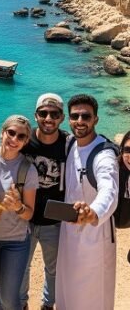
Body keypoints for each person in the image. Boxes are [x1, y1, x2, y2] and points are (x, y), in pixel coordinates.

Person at [55, 94, 119, 309]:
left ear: (95, 120)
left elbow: (109, 190)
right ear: (69, 119)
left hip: (95, 237)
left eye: (86, 116)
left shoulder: (104, 154)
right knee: (67, 288)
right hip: (69, 232)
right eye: (75, 116)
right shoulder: (71, 142)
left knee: (92, 297)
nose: (80, 121)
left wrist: (92, 213)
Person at [19, 93, 68, 310]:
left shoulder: (69, 143)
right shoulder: (23, 141)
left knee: (54, 268)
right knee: (22, 267)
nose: (48, 118)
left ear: (62, 117)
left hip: (55, 222)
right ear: (35, 115)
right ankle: (21, 304)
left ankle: (48, 305)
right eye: (43, 113)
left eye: (54, 114)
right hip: (24, 219)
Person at [0, 115, 38, 310]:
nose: (14, 139)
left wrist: (18, 207)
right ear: (2, 133)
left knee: (9, 298)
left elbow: (29, 213)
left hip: (15, 242)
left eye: (21, 137)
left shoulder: (27, 170)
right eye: (11, 133)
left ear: (25, 142)